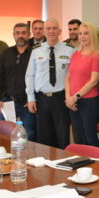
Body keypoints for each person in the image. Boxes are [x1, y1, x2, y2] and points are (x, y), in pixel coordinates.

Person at [25, 19, 75, 148]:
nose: (51, 31)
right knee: (44, 138)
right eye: (48, 28)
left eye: (54, 28)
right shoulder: (36, 50)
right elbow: (30, 75)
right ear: (44, 31)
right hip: (42, 99)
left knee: (62, 137)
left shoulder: (70, 50)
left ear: (60, 31)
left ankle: (62, 160)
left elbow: (73, 76)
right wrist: (30, 98)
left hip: (61, 99)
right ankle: (46, 161)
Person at [0, 23, 36, 141]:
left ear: (29, 35)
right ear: (14, 35)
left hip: (27, 103)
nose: (20, 35)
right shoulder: (6, 53)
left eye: (23, 33)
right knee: (4, 135)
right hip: (7, 102)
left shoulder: (35, 53)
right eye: (17, 33)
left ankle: (29, 154)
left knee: (30, 135)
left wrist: (32, 98)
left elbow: (39, 78)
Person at [65, 23, 99, 147]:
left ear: (92, 36)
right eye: (80, 33)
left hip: (89, 102)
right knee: (79, 137)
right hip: (72, 102)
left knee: (90, 137)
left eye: (86, 33)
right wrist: (68, 97)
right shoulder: (75, 54)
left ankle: (97, 159)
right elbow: (68, 77)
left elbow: (94, 81)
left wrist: (75, 97)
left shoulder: (96, 56)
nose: (82, 36)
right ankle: (82, 159)